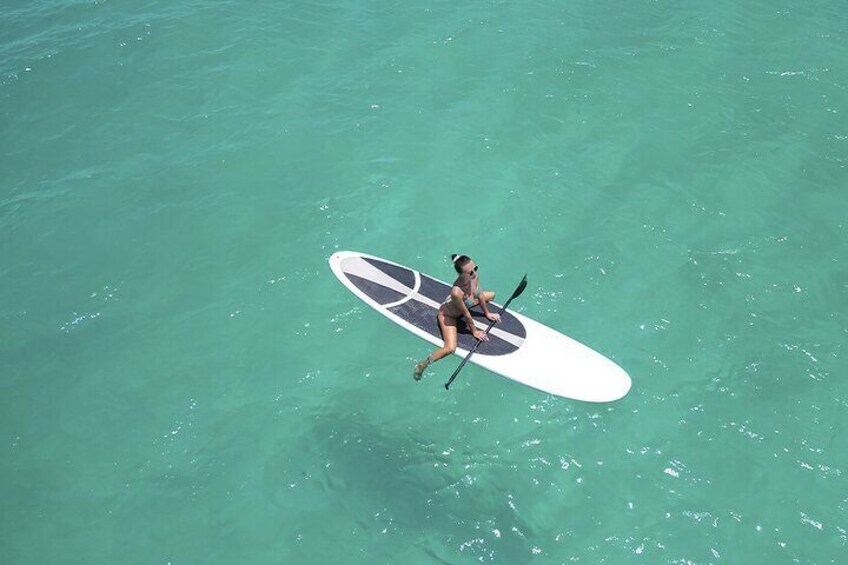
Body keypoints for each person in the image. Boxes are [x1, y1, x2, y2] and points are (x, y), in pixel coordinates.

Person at [413, 254, 501, 380]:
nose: (474, 274)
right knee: (450, 348)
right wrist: (474, 331)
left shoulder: (474, 277)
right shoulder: (456, 292)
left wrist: (487, 313)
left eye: (475, 269)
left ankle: (480, 309)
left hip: (466, 302)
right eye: (470, 273)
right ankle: (423, 364)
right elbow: (466, 314)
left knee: (492, 295)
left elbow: (479, 294)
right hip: (448, 314)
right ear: (461, 275)